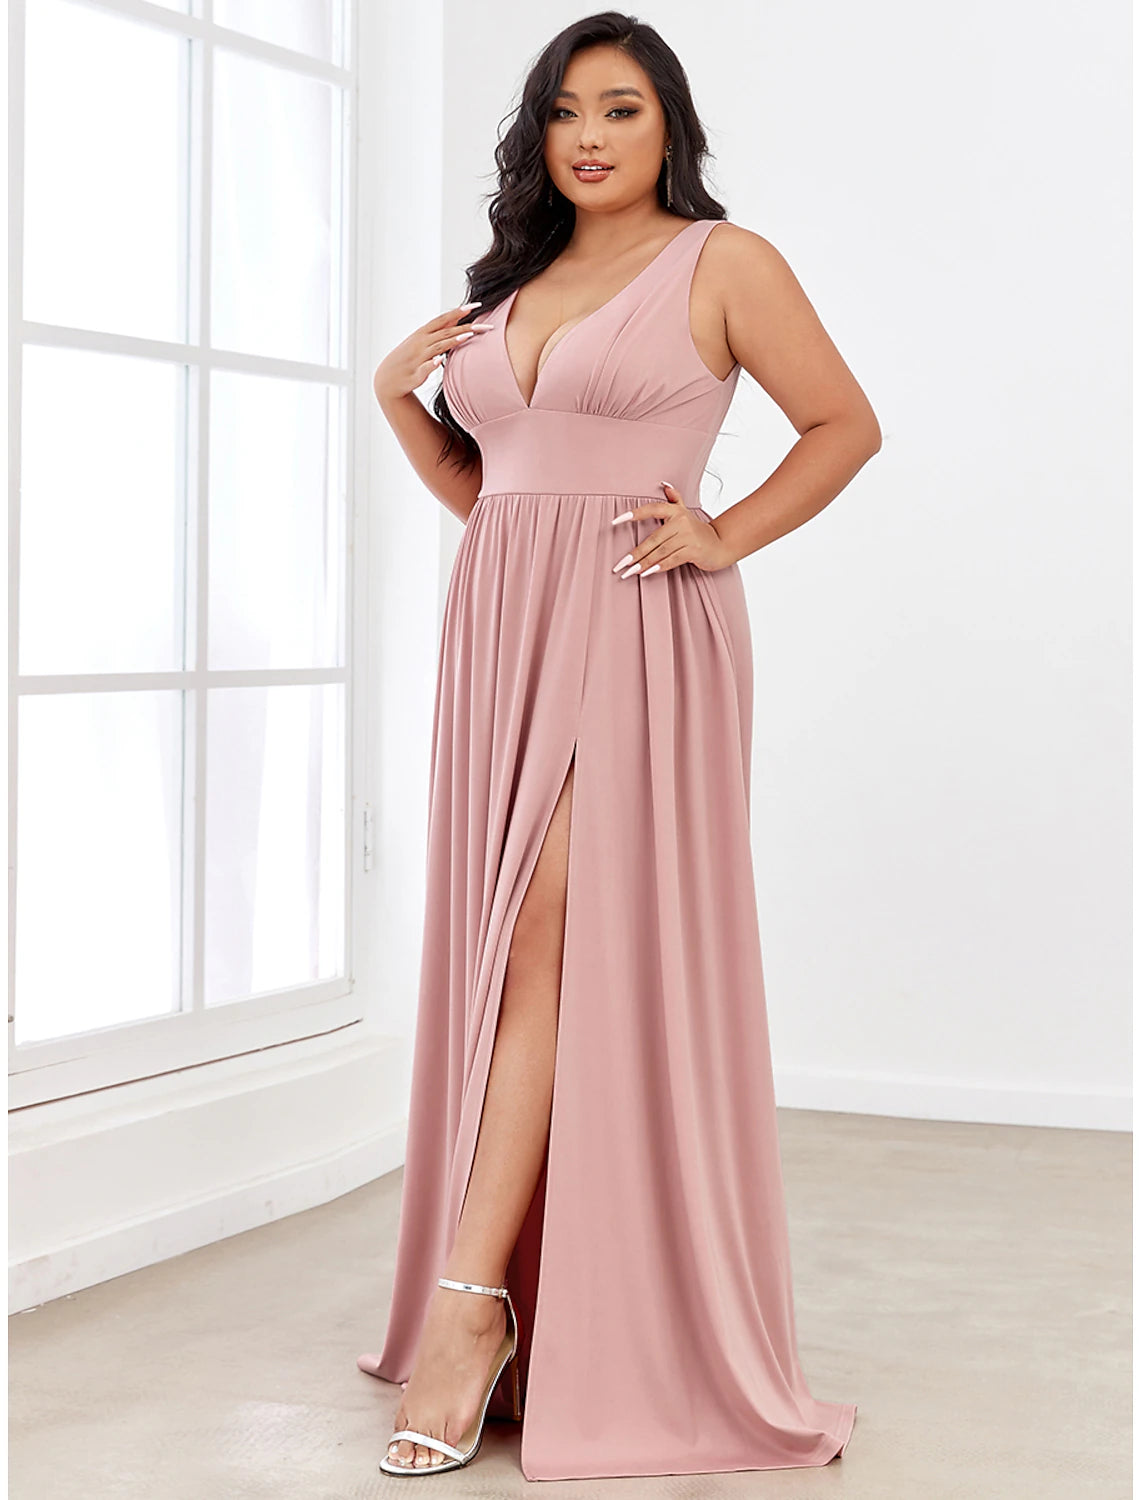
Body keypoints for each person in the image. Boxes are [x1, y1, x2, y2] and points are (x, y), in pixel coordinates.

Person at [359, 9, 880, 1483]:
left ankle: (473, 1309)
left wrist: (726, 531)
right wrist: (395, 398)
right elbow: (501, 497)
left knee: (548, 937)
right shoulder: (514, 287)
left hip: (640, 633)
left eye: (622, 109)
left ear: (671, 128)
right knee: (514, 950)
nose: (589, 136)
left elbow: (844, 426)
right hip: (503, 640)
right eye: (566, 111)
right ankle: (525, 1292)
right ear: (539, 135)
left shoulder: (724, 262)